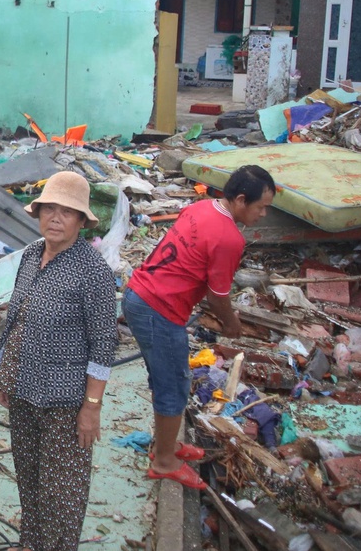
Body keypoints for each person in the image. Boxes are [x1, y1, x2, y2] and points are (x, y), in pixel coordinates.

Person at [123, 164, 277, 490]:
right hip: (158, 309)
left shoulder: (202, 207)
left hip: (139, 295)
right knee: (175, 386)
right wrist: (233, 325)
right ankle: (164, 462)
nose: (264, 214)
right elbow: (218, 297)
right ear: (239, 200)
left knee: (166, 378)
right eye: (261, 207)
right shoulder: (229, 238)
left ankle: (166, 446)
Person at [0, 171, 118, 551]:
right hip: (24, 389)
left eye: (68, 211)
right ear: (39, 212)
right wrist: (5, 375)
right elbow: (18, 318)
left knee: (61, 491)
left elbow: (104, 344)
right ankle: (30, 543)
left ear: (82, 221)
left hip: (66, 401)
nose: (56, 218)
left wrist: (91, 407)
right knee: (28, 476)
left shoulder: (92, 271)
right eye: (50, 208)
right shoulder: (31, 254)